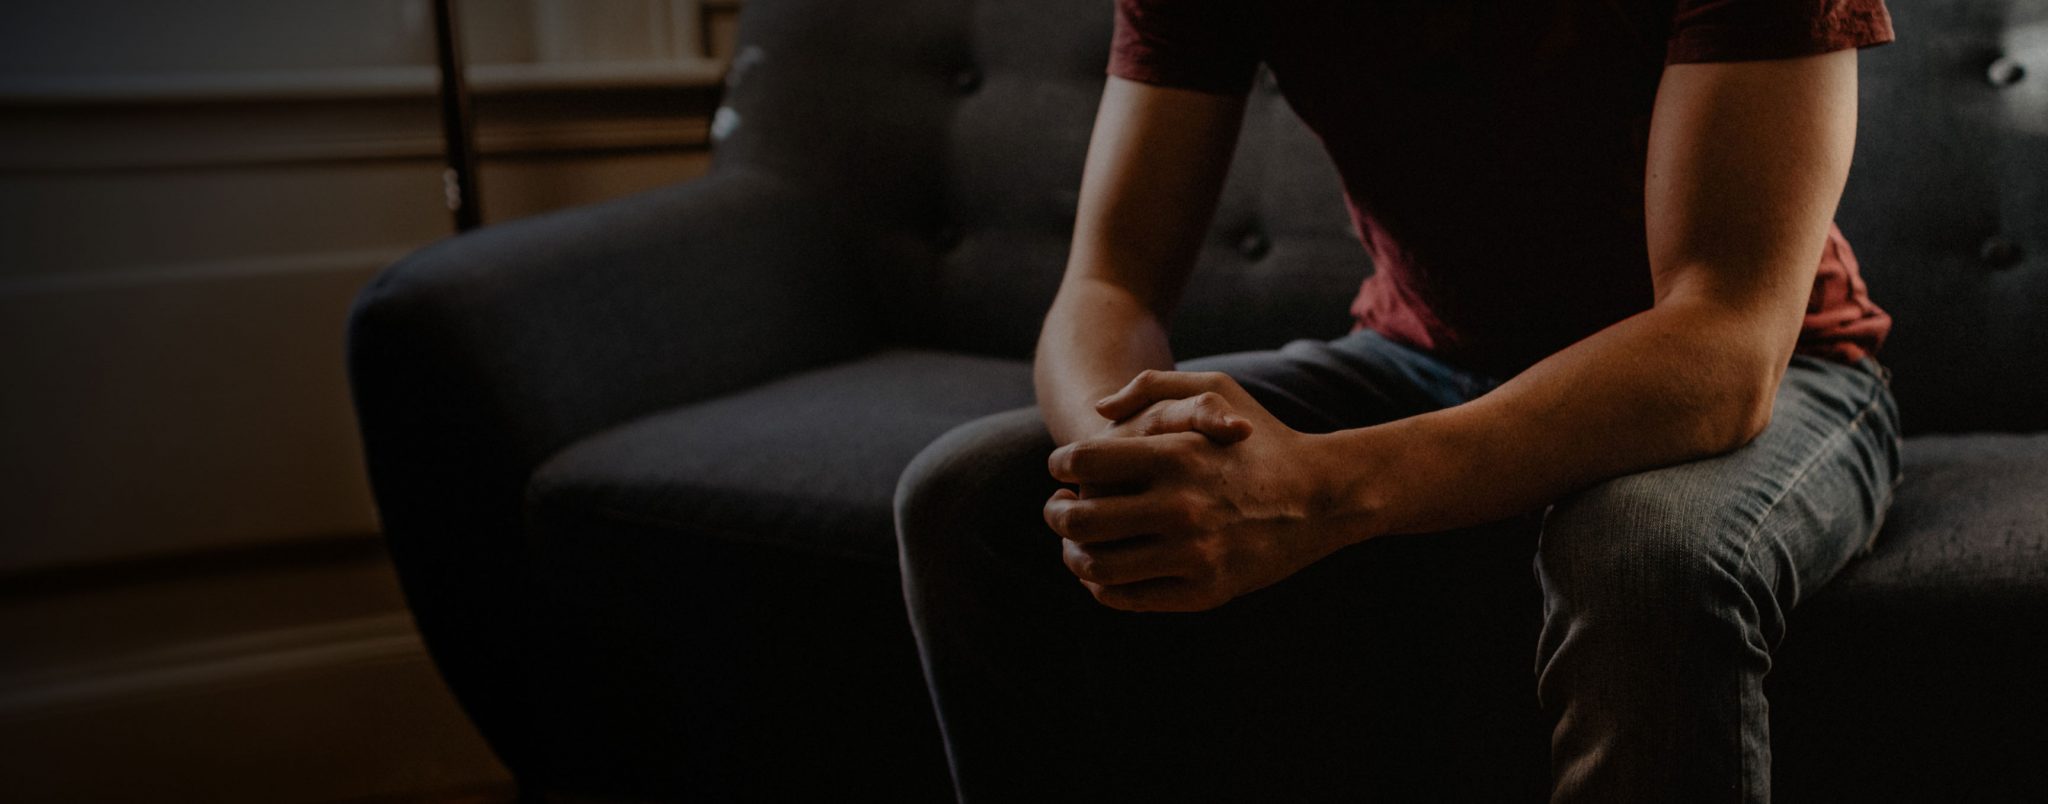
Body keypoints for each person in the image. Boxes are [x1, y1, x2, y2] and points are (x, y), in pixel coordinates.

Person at [897, 1, 1905, 801]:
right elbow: (1106, 284)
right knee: (972, 499)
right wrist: (1134, 468)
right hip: (1417, 357)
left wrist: (1319, 490)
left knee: (1642, 558)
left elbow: (1724, 343)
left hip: (1780, 371)